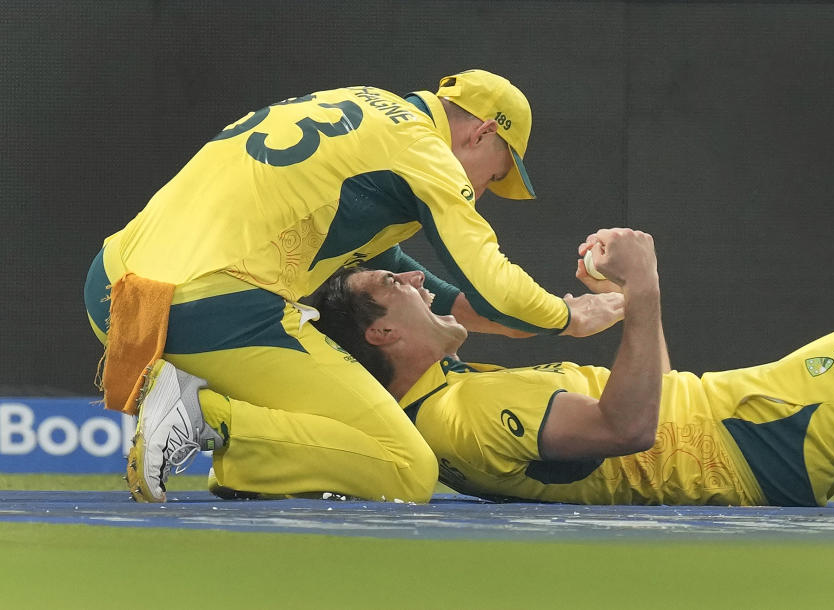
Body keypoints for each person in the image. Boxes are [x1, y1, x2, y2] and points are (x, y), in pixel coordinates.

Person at [82, 70, 623, 504]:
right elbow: (492, 280)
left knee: (323, 429)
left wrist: (499, 318)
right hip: (208, 305)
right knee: (406, 468)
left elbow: (382, 257)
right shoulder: (426, 152)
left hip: (112, 289)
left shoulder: (358, 103)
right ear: (483, 132)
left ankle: (236, 443)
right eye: (495, 173)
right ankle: (206, 415)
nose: (482, 192)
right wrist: (570, 316)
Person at [307, 227, 834, 506]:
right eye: (397, 283)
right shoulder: (460, 414)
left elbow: (657, 402)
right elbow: (628, 430)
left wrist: (629, 308)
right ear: (384, 331)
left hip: (748, 414)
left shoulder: (450, 396)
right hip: (768, 435)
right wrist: (644, 286)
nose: (420, 281)